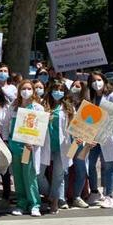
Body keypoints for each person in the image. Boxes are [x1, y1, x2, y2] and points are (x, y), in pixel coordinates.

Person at [85, 71, 113, 209]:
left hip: (108, 137)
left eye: (98, 80)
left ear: (104, 80)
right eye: (93, 81)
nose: (96, 83)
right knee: (90, 165)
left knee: (109, 167)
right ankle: (94, 191)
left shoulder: (112, 97)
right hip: (94, 138)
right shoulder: (90, 97)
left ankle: (109, 196)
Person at [8, 81, 45, 216]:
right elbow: (7, 123)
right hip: (15, 146)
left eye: (29, 88)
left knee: (29, 176)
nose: (26, 91)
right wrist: (8, 141)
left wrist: (33, 143)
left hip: (29, 147)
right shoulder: (13, 106)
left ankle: (34, 204)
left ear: (33, 91)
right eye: (23, 88)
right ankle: (21, 203)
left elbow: (41, 129)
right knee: (18, 176)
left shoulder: (37, 108)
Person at [42, 80, 74, 214]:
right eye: (56, 89)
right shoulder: (43, 106)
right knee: (37, 173)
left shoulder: (68, 108)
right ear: (50, 91)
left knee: (58, 175)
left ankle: (55, 200)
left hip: (63, 146)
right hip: (45, 145)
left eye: (61, 90)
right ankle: (52, 195)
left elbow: (76, 127)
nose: (58, 93)